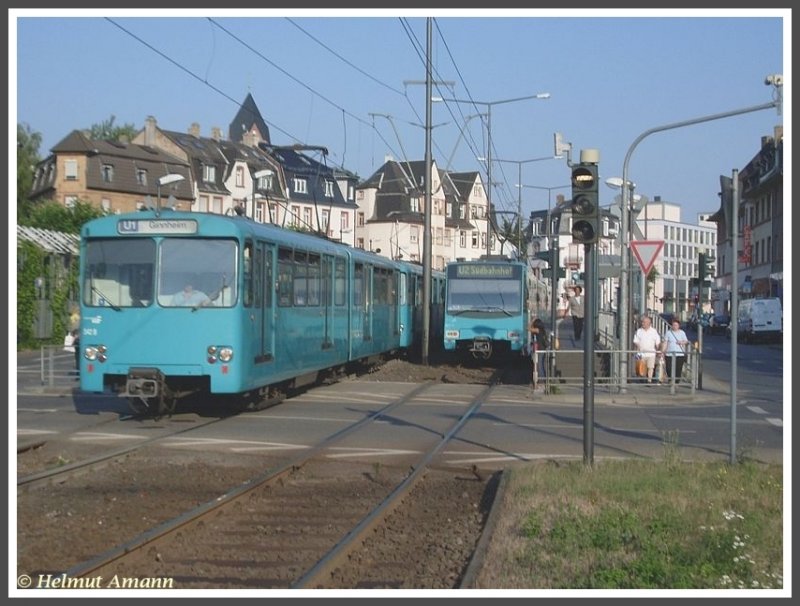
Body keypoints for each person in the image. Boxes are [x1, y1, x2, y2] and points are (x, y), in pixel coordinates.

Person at [662, 317, 690, 383]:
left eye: (676, 325)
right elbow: (665, 342)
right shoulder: (668, 333)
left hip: (679, 353)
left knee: (678, 369)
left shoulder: (682, 333)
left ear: (679, 326)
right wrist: (663, 352)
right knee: (668, 368)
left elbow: (686, 341)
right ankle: (670, 379)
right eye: (673, 325)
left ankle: (676, 381)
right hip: (669, 353)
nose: (674, 326)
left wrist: (681, 342)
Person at [633, 315, 661, 383]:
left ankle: (649, 380)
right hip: (641, 353)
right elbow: (635, 340)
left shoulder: (654, 331)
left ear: (649, 323)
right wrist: (637, 346)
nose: (643, 323)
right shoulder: (639, 331)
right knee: (641, 367)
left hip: (651, 353)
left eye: (644, 322)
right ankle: (642, 378)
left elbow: (657, 342)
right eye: (642, 322)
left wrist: (658, 350)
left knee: (650, 367)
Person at [530, 318, 549, 382]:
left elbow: (528, 328)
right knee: (541, 365)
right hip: (543, 349)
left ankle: (541, 381)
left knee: (539, 365)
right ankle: (542, 380)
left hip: (539, 350)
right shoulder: (542, 330)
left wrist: (532, 321)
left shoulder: (538, 330)